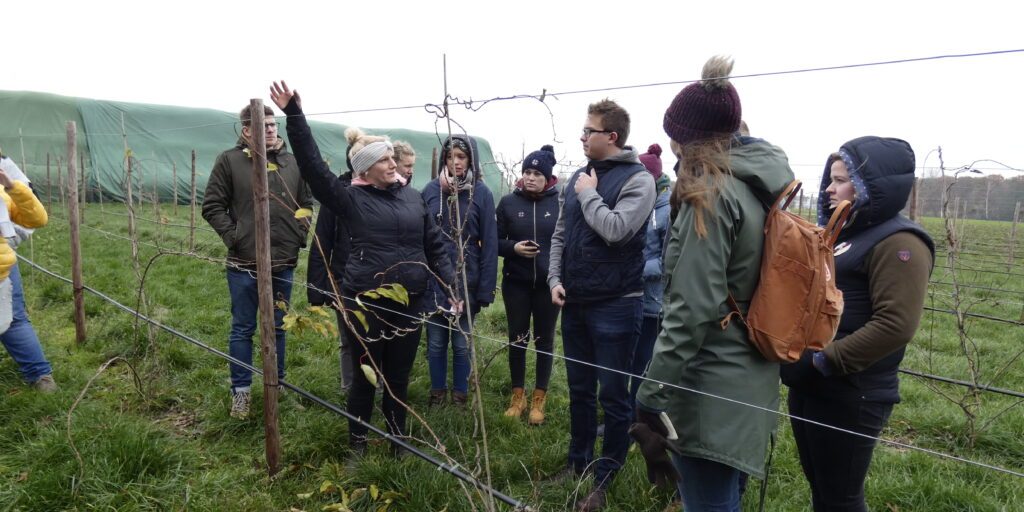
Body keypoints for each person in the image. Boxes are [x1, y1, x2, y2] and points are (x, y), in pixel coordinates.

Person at [634, 56, 793, 511]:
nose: (672, 145)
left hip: (711, 383)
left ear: (688, 140)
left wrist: (651, 392)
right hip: (748, 370)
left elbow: (691, 308)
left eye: (675, 136)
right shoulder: (754, 186)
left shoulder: (709, 195)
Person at [270, 81, 460, 453]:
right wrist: (294, 115)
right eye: (384, 160)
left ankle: (398, 442)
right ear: (365, 168)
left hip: (410, 302)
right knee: (364, 379)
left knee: (398, 379)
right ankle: (358, 446)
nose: (393, 164)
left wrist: (451, 283)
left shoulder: (413, 198)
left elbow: (434, 244)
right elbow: (313, 168)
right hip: (365, 304)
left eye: (392, 158)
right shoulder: (350, 199)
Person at [781, 136, 933, 512]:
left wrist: (823, 361)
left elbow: (896, 324)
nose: (829, 189)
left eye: (840, 180)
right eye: (830, 179)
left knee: (841, 497)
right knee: (822, 488)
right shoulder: (847, 235)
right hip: (815, 384)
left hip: (853, 391)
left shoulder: (901, 243)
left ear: (871, 186)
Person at [547, 98, 656, 511]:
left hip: (616, 305)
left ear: (611, 136)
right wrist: (554, 279)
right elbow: (561, 234)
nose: (581, 137)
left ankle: (605, 476)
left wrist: (590, 195)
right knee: (579, 391)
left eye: (588, 131)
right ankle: (576, 463)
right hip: (575, 302)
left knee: (613, 395)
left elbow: (616, 230)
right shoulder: (579, 176)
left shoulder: (638, 180)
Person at [201, 104, 313, 419]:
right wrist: (235, 237)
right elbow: (212, 206)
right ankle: (241, 392)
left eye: (273, 124)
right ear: (247, 130)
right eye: (263, 125)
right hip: (244, 262)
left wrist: (299, 233)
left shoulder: (292, 163)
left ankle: (277, 385)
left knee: (278, 326)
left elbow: (305, 202)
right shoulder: (230, 161)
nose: (271, 129)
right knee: (243, 328)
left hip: (283, 260)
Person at [420, 135, 498, 407]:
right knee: (436, 342)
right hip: (435, 280)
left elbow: (490, 244)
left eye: (461, 157)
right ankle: (437, 392)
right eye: (450, 156)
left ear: (471, 160)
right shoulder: (431, 191)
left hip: (467, 279)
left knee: (462, 343)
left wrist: (485, 289)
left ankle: (461, 394)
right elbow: (422, 238)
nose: (455, 162)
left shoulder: (481, 194)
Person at [495, 145, 560, 425]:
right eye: (527, 172)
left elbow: (567, 242)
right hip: (516, 284)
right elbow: (493, 241)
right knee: (517, 338)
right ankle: (517, 397)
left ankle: (539, 399)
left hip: (548, 285)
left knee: (545, 340)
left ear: (548, 178)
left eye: (537, 174)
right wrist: (513, 248)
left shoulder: (559, 204)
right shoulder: (508, 203)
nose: (530, 178)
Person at [0, 155, 54, 392]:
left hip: (3, 269)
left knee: (14, 320)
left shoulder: (3, 190)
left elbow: (37, 219)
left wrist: (12, 187)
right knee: (14, 321)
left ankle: (41, 376)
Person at [306, 150, 355, 395]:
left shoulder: (385, 193)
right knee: (348, 340)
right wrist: (317, 289)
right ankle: (349, 388)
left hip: (378, 281)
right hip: (342, 280)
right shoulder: (336, 195)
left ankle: (378, 388)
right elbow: (321, 243)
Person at [629, 144, 671, 413]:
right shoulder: (640, 203)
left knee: (643, 363)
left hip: (653, 304)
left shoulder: (667, 211)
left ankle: (637, 419)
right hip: (630, 296)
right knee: (629, 361)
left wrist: (634, 269)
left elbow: (668, 261)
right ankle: (625, 414)